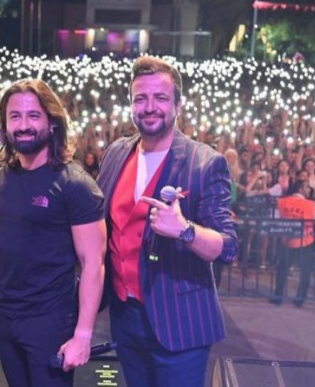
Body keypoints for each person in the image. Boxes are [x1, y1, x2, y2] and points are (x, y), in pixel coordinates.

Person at [0, 78, 106, 387]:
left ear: (52, 122)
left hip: (51, 320)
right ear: (5, 126)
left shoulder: (75, 184)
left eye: (33, 116)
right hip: (6, 317)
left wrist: (82, 335)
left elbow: (94, 263)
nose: (23, 125)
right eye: (15, 117)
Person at [96, 56, 238, 387]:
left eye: (160, 98)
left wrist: (185, 231)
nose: (149, 107)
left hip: (180, 324)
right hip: (125, 317)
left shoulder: (206, 163)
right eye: (140, 98)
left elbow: (229, 247)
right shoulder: (117, 152)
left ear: (178, 105)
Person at [270, 178, 315, 307]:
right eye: (307, 187)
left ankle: (278, 296)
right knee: (305, 272)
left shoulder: (282, 202)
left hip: (287, 240)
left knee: (282, 269)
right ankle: (300, 299)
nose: (309, 190)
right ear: (300, 189)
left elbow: (275, 218)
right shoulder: (310, 204)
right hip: (305, 241)